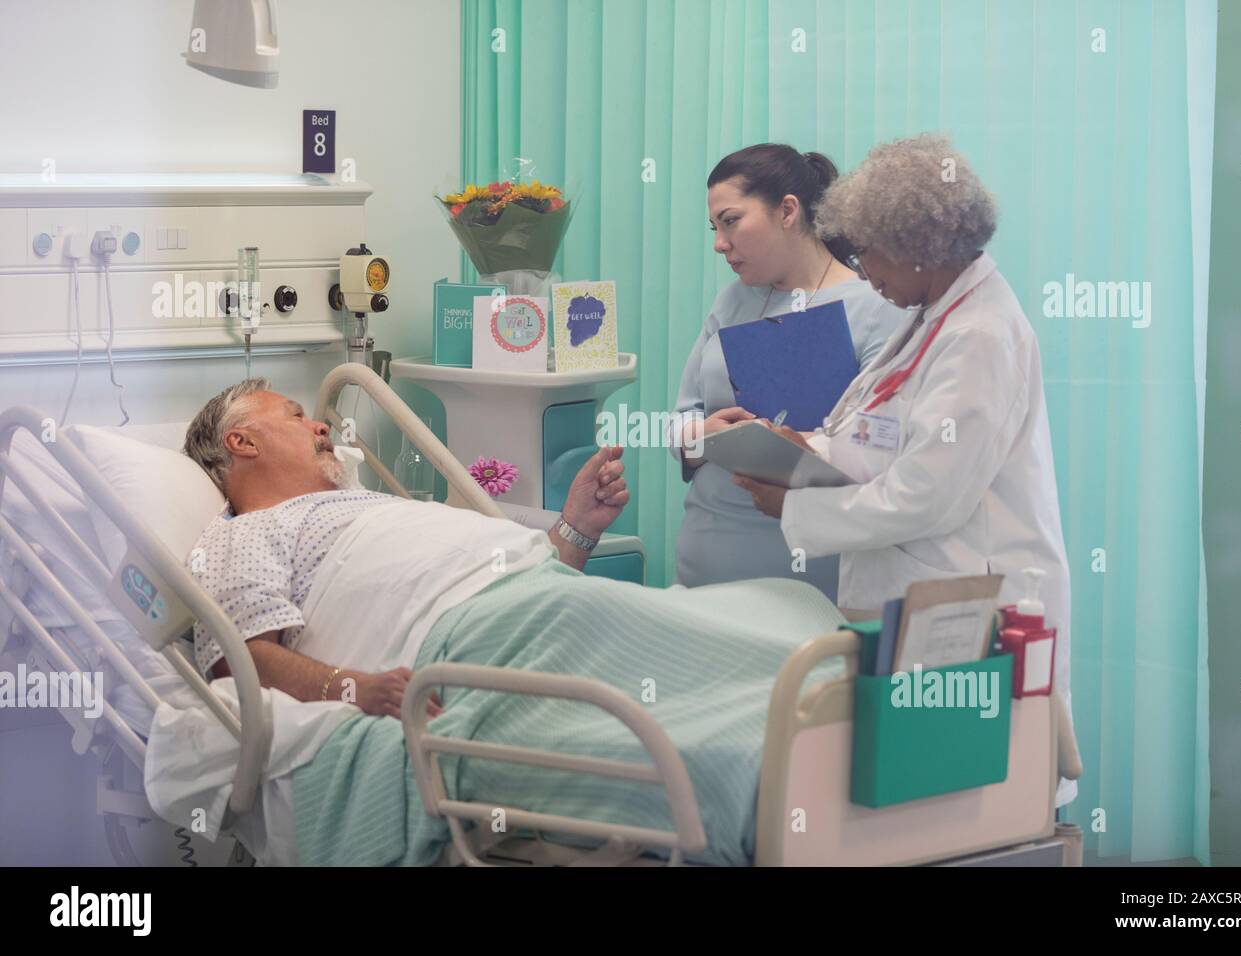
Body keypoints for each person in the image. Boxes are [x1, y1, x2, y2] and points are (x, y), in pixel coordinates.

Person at [731, 133, 1077, 807]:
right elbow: (877, 433)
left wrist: (794, 508)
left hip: (965, 603)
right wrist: (795, 445)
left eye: (868, 252)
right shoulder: (930, 318)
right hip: (912, 592)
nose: (863, 271)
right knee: (916, 791)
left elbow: (926, 497)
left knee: (959, 796)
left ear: (916, 243)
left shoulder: (980, 335)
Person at [182, 378, 628, 717]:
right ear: (242, 441)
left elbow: (517, 574)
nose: (320, 426)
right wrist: (358, 688)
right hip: (481, 631)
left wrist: (577, 527)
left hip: (543, 598)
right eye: (296, 416)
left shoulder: (364, 504)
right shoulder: (244, 533)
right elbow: (238, 661)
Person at [669, 143, 906, 600]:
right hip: (705, 561)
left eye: (731, 221)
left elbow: (882, 448)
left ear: (788, 211)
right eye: (714, 228)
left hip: (811, 572)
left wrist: (803, 446)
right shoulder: (731, 303)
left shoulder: (874, 308)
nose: (720, 243)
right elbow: (682, 417)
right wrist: (702, 437)